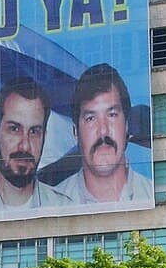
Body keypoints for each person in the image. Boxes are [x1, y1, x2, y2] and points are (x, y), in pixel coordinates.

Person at [56, 63, 153, 204]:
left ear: (126, 125)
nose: (103, 130)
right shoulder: (54, 204)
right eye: (91, 118)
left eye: (112, 115)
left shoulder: (150, 194)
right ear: (76, 132)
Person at [0, 77, 70, 210]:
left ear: (44, 138)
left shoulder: (65, 211)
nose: (25, 146)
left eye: (34, 132)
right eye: (14, 129)